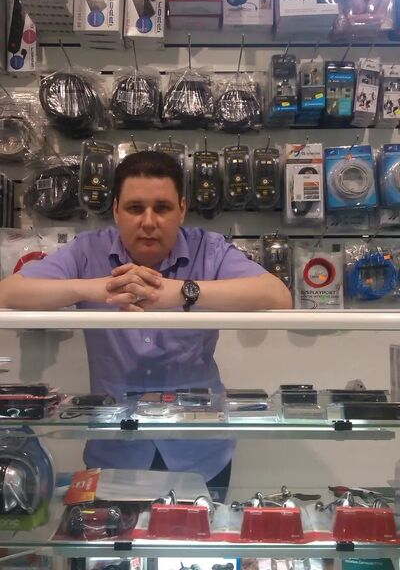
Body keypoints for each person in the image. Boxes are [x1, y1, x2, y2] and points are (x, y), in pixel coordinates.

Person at [0, 151, 292, 501]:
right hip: (114, 448)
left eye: (162, 208)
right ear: (116, 211)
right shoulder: (87, 250)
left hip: (199, 448)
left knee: (199, 539)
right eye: (135, 208)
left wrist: (183, 292)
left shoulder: (209, 248)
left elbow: (278, 296)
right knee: (109, 539)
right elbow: (7, 294)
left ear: (181, 209)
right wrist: (93, 288)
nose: (149, 221)